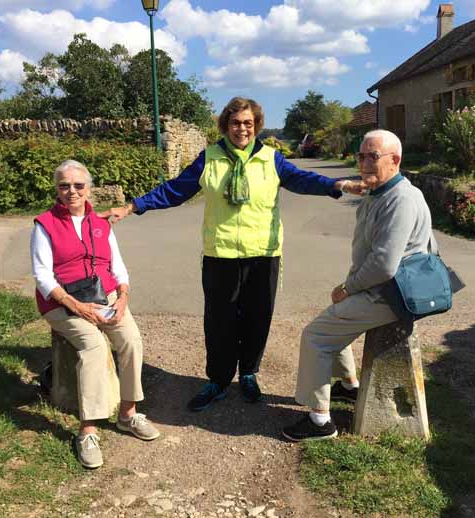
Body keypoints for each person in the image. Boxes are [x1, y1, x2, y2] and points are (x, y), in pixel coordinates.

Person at [103, 97, 365, 412]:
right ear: (226, 125)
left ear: (256, 126)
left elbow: (303, 180)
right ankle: (218, 379)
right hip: (220, 255)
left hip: (263, 254)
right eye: (236, 123)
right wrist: (133, 206)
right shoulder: (209, 158)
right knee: (219, 321)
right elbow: (175, 190)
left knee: (257, 318)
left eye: (248, 123)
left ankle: (250, 374)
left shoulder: (272, 159)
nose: (241, 129)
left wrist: (337, 185)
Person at [282, 129, 434, 441]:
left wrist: (349, 287)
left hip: (391, 294)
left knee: (315, 335)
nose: (364, 162)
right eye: (361, 155)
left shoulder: (401, 199)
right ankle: (350, 386)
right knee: (335, 315)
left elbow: (383, 264)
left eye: (372, 156)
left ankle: (320, 421)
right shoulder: (380, 192)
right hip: (382, 288)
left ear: (395, 160)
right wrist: (350, 289)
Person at [30, 159, 159, 469]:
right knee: (94, 346)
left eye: (78, 185)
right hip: (63, 303)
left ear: (88, 189)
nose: (71, 191)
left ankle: (127, 414)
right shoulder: (44, 223)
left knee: (130, 340)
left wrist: (124, 296)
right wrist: (76, 306)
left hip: (106, 297)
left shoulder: (101, 224)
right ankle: (87, 431)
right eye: (64, 185)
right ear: (57, 189)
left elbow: (118, 265)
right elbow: (42, 275)